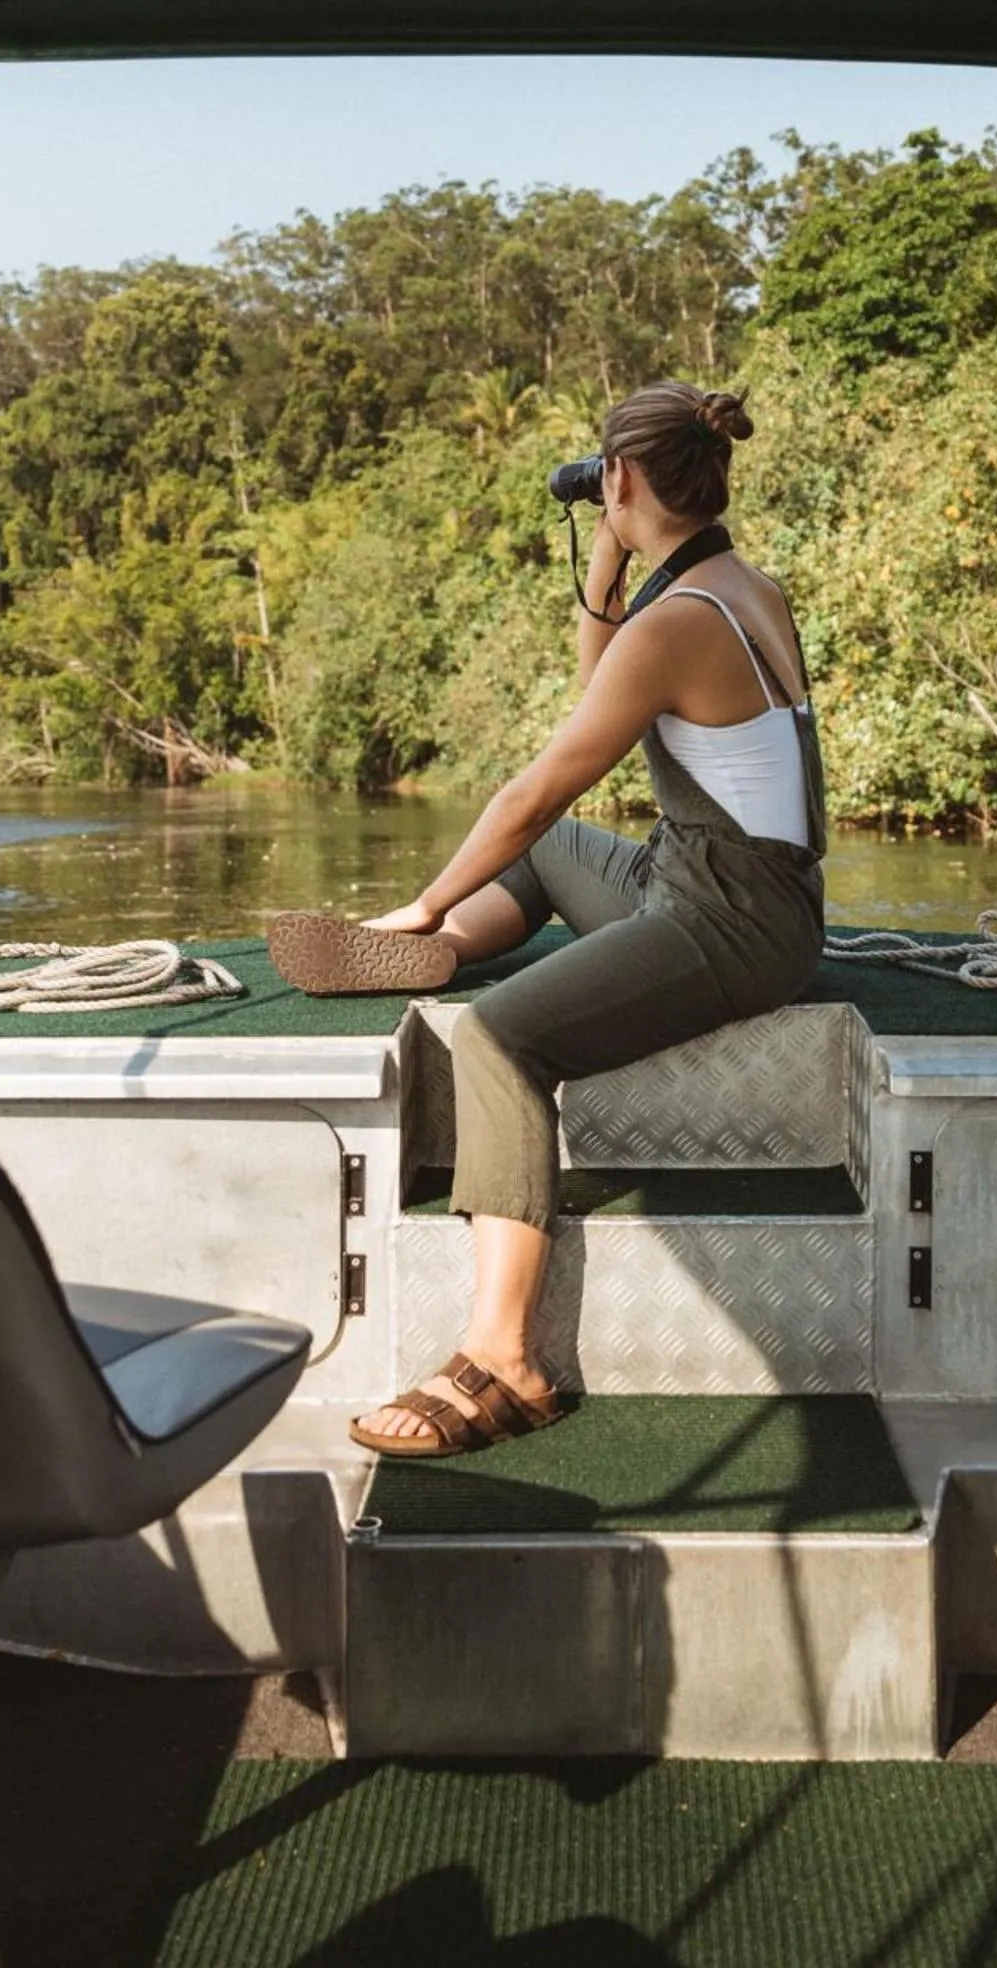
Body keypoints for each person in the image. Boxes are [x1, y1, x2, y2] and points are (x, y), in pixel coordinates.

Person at [271, 379, 827, 1456]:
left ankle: (504, 1358)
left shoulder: (680, 625)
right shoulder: (740, 584)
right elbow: (600, 697)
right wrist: (608, 568)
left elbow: (540, 786)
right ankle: (437, 951)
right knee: (546, 857)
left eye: (604, 482)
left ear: (615, 478)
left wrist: (430, 881)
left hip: (732, 921)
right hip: (737, 883)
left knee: (499, 1037)